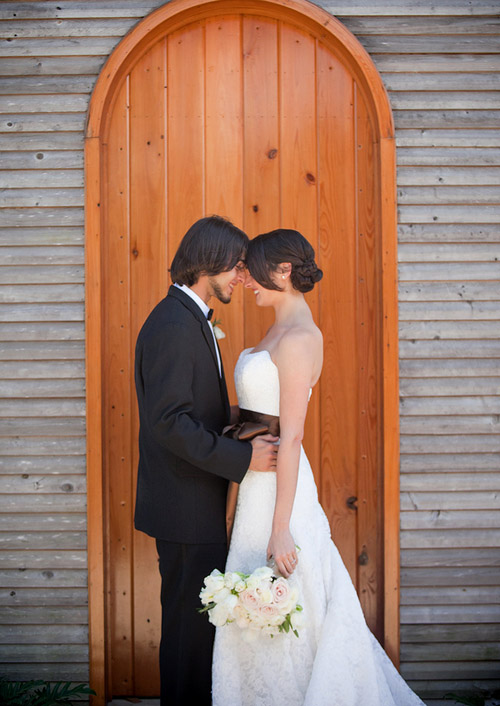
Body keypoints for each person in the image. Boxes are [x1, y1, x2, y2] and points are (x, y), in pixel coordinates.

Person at [212, 229, 425, 706]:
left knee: (284, 600)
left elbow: (292, 438)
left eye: (252, 268)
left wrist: (281, 528)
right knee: (248, 602)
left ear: (284, 271)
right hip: (254, 485)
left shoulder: (302, 338)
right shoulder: (276, 329)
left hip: (280, 492)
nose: (244, 277)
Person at [134, 216, 278, 706]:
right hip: (183, 506)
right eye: (237, 266)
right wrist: (244, 458)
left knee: (195, 634)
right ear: (210, 262)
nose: (242, 276)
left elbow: (189, 409)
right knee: (186, 638)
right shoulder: (175, 324)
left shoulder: (191, 317)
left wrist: (243, 418)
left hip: (193, 503)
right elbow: (169, 423)